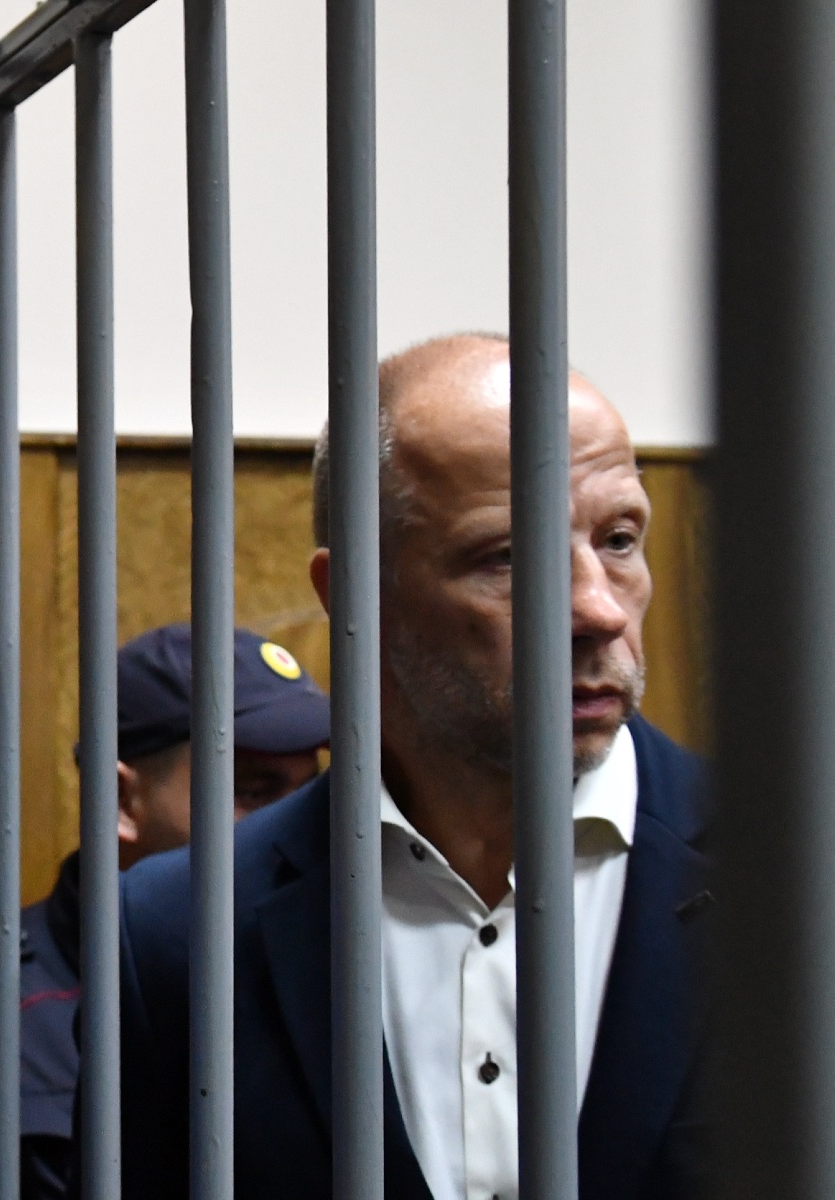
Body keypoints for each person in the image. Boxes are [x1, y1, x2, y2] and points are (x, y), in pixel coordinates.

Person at [114, 333, 708, 1199]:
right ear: (355, 594)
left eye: (618, 540)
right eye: (509, 556)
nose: (598, 609)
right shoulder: (182, 933)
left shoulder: (810, 886)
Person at [0, 624, 332, 1199]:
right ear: (119, 800)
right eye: (253, 791)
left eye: (309, 792)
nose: (291, 824)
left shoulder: (336, 971)